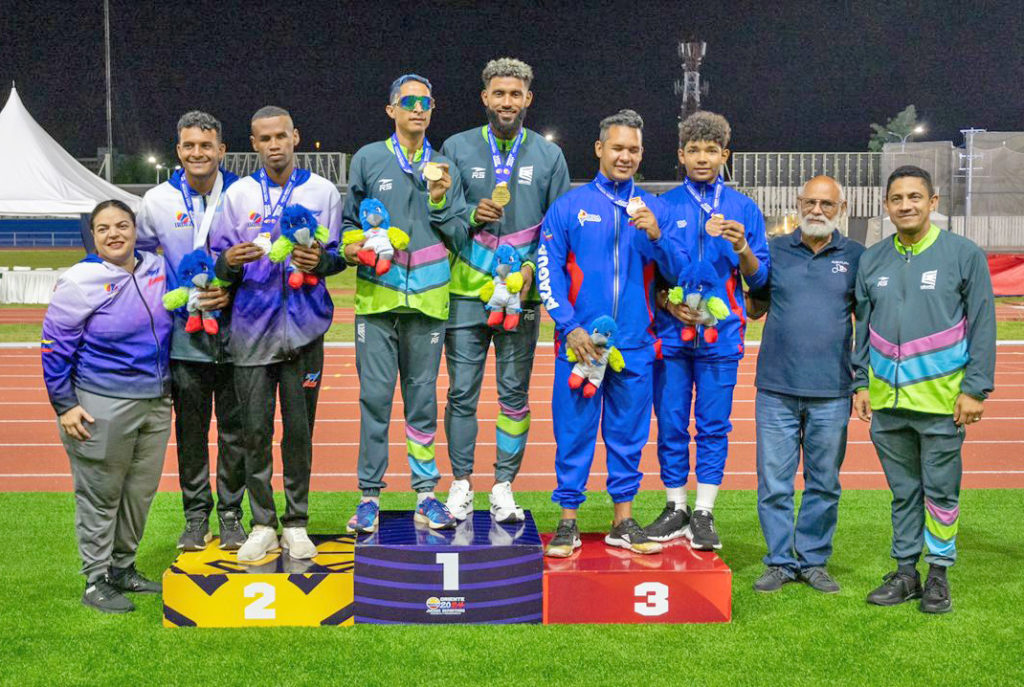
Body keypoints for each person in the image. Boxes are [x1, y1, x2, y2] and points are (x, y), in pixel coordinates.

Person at [540, 109, 686, 557]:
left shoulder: (657, 209)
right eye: (618, 147)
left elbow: (680, 272)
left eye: (633, 150)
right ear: (599, 149)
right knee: (574, 434)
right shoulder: (569, 207)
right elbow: (549, 273)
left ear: (641, 154)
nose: (625, 156)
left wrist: (658, 235)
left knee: (628, 437)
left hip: (636, 345)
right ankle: (568, 522)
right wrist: (569, 327)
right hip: (582, 345)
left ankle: (623, 521)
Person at [853, 165, 995, 614]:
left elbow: (983, 324)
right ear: (886, 206)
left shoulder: (963, 254)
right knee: (903, 493)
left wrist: (976, 388)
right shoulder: (872, 259)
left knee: (942, 493)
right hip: (888, 404)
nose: (906, 205)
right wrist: (860, 381)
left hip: (941, 403)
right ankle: (905, 573)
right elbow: (862, 327)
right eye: (897, 198)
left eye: (915, 197)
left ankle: (937, 575)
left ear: (933, 202)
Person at [440, 57, 570, 522]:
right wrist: (470, 215)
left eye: (516, 94)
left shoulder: (549, 157)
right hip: (465, 294)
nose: (507, 101)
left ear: (528, 98)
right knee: (462, 395)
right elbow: (441, 219)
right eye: (499, 93)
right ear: (485, 98)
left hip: (521, 297)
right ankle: (460, 483)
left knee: (514, 397)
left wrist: (534, 269)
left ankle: (502, 486)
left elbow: (557, 230)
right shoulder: (455, 147)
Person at [211, 106, 344, 563]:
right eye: (264, 138)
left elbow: (336, 254)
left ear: (295, 137)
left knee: (300, 434)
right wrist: (228, 262)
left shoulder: (323, 191)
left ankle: (297, 522)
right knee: (255, 432)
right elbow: (217, 259)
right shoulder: (238, 194)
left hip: (304, 331)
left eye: (281, 136)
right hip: (251, 330)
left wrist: (321, 262)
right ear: (254, 143)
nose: (274, 145)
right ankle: (263, 524)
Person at [343, 74, 469, 534]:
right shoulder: (368, 158)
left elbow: (459, 236)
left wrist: (439, 202)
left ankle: (425, 495)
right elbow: (349, 226)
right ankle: (369, 497)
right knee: (375, 400)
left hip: (429, 300)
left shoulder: (445, 166)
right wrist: (353, 248)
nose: (418, 108)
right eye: (409, 101)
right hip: (377, 300)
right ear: (391, 109)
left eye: (426, 102)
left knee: (422, 404)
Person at [644, 111, 769, 551]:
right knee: (671, 424)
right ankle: (675, 506)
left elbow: (760, 279)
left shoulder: (743, 208)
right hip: (671, 339)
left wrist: (743, 247)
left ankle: (704, 511)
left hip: (722, 337)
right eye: (694, 150)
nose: (702, 158)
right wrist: (665, 302)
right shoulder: (663, 205)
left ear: (724, 155)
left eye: (711, 150)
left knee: (714, 426)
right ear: (681, 155)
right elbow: (649, 274)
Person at [42, 200, 172, 613]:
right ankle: (95, 580)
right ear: (93, 236)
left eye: (122, 225)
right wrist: (65, 404)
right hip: (102, 403)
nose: (114, 234)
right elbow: (54, 347)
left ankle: (123, 568)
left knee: (139, 493)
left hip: (156, 401)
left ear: (136, 230)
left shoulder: (157, 268)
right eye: (103, 228)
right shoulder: (80, 280)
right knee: (100, 495)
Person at [747, 176, 864, 593]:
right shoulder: (773, 250)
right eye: (810, 202)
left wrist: (862, 381)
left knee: (824, 483)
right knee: (774, 484)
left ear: (841, 209)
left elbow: (868, 323)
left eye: (826, 204)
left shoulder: (857, 256)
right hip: (776, 388)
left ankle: (813, 560)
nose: (817, 210)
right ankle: (780, 561)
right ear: (798, 204)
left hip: (832, 391)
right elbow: (754, 307)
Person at [135, 110, 246, 552]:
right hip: (185, 337)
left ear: (222, 149)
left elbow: (259, 256)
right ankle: (196, 517)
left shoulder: (244, 193)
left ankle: (232, 515)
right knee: (191, 433)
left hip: (238, 334)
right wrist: (175, 298)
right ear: (178, 150)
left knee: (237, 432)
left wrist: (232, 292)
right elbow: (143, 262)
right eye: (189, 146)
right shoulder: (157, 200)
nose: (197, 153)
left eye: (206, 145)